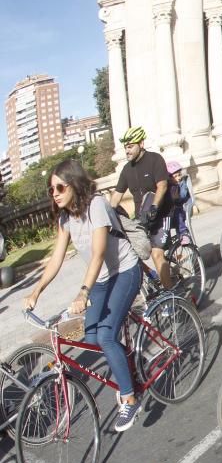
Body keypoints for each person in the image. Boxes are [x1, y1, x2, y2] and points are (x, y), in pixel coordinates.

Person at [26, 159, 143, 432]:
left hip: (124, 272)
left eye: (59, 187)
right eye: (50, 189)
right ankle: (128, 365)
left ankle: (130, 397)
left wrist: (83, 292)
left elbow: (99, 253)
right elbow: (55, 260)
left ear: (74, 184)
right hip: (101, 279)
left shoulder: (97, 206)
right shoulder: (66, 217)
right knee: (91, 338)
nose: (54, 193)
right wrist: (36, 291)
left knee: (105, 336)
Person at [109, 126, 174, 289]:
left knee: (156, 253)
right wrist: (106, 214)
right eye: (125, 148)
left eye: (130, 146)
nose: (127, 151)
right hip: (141, 218)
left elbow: (162, 186)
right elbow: (116, 196)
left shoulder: (155, 159)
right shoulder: (126, 169)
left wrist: (154, 208)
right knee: (130, 253)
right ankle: (154, 276)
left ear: (141, 143)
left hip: (162, 214)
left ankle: (171, 299)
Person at [166, 161, 194, 245]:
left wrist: (181, 185)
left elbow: (183, 197)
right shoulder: (168, 187)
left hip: (181, 210)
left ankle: (183, 233)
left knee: (178, 213)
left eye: (179, 175)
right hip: (169, 213)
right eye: (175, 176)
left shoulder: (181, 184)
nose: (178, 178)